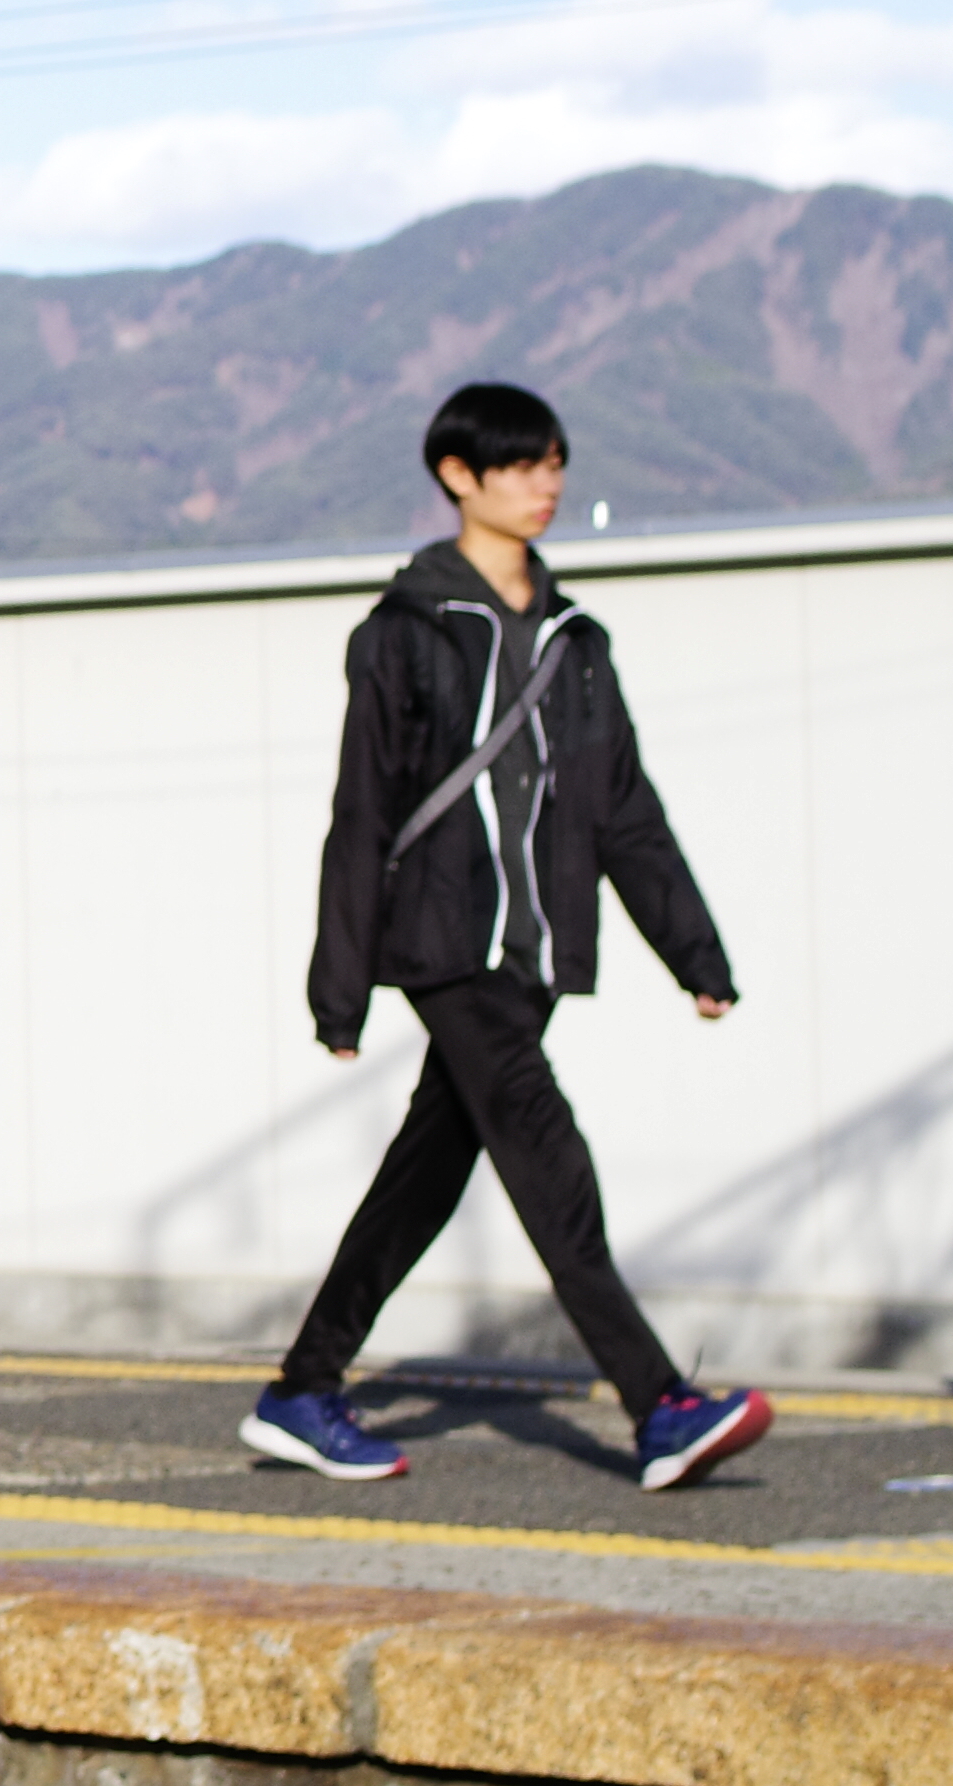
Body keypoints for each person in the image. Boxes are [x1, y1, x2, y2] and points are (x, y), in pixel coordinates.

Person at [256, 381, 771, 1493]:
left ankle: (302, 1391)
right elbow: (363, 812)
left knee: (424, 1178)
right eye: (523, 466)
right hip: (447, 943)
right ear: (459, 476)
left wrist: (695, 953)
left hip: (534, 950)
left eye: (555, 464)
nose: (547, 485)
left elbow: (625, 809)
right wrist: (339, 990)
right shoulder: (403, 632)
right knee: (549, 1158)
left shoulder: (577, 642)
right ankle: (660, 1404)